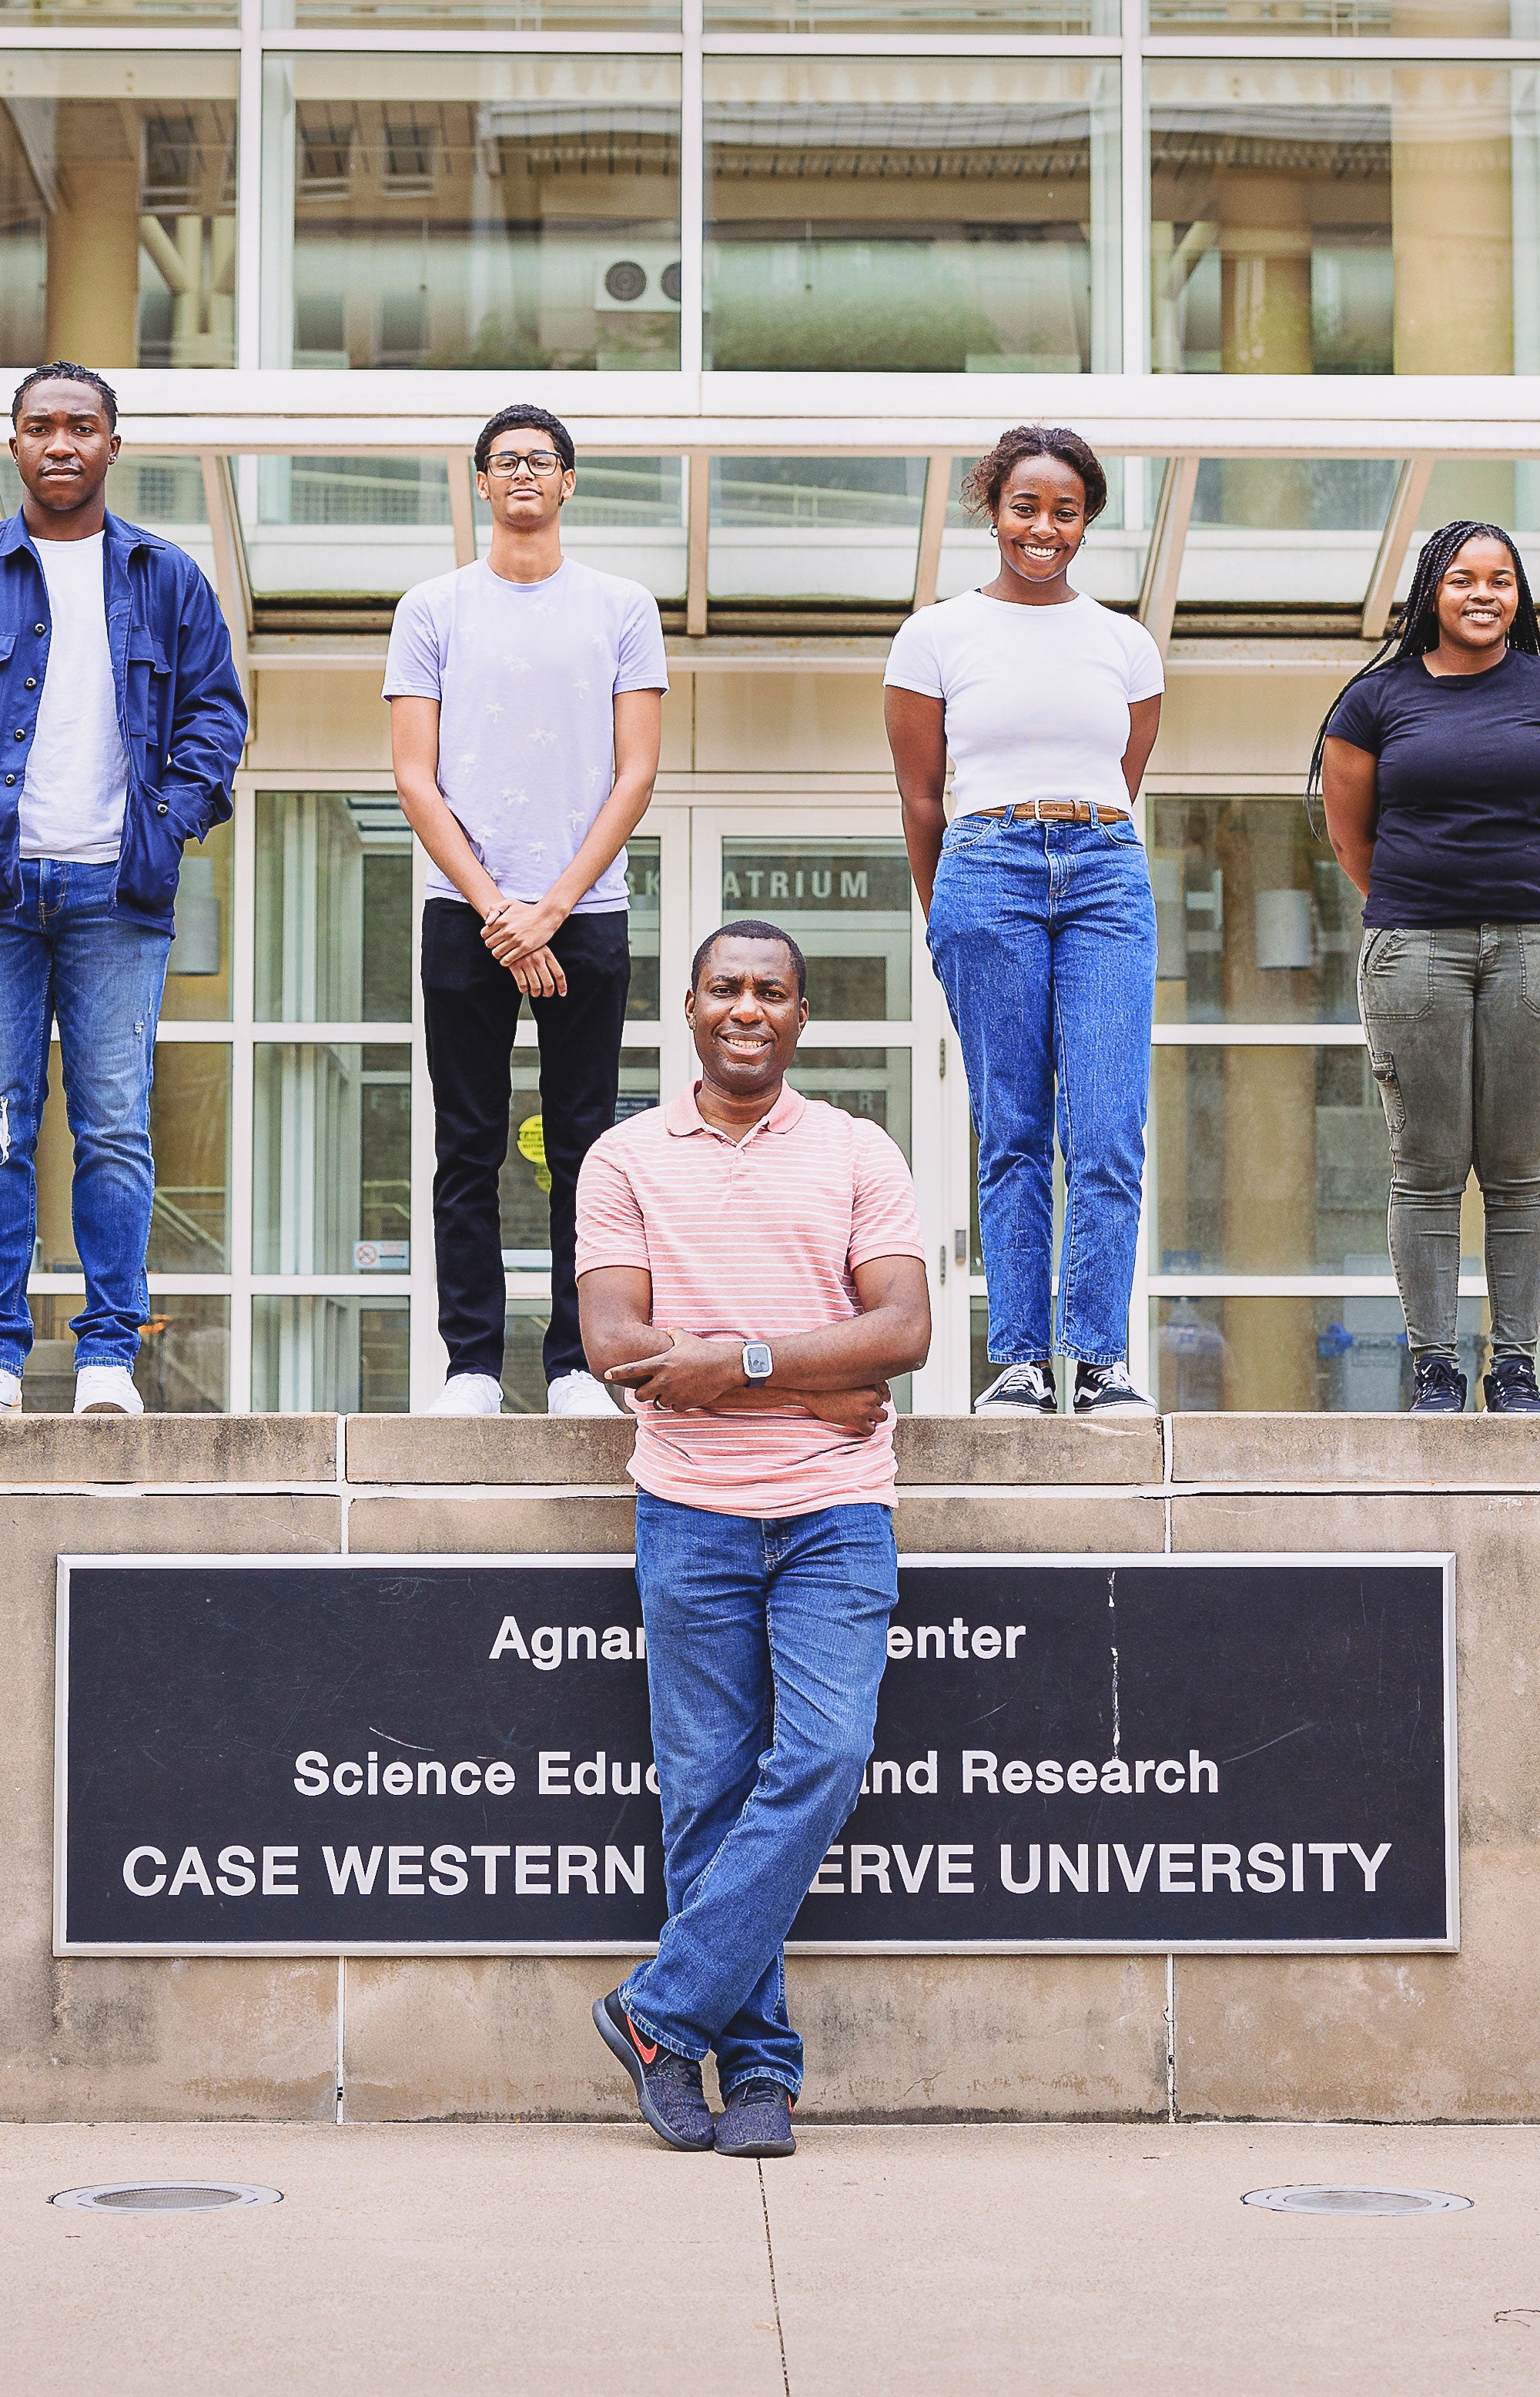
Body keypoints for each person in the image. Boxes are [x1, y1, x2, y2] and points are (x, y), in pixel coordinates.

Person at [574, 920, 931, 2160]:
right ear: (688, 1007)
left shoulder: (856, 1151)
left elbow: (905, 1333)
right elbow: (622, 1350)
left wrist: (741, 1362)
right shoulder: (624, 1159)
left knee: (826, 1756)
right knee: (710, 1792)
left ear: (800, 1015)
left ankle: (657, 2011)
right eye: (726, 987)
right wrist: (810, 1387)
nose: (747, 1008)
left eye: (770, 992)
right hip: (691, 1511)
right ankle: (758, 2076)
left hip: (836, 1512)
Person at [0, 363, 248, 1417]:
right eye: (41, 427)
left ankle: (105, 1359)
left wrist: (168, 827)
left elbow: (217, 721)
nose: (62, 444)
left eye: (83, 426)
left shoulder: (166, 578)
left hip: (116, 896)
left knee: (116, 1127)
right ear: (15, 443)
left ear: (115, 445)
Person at [388, 404, 667, 1418]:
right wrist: (496, 907)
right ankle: (470, 1365)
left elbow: (636, 773)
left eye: (540, 461)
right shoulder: (433, 608)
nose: (523, 474)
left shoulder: (621, 606)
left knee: (585, 1142)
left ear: (568, 483)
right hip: (465, 908)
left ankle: (574, 1365)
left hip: (583, 910)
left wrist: (548, 908)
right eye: (505, 461)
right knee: (466, 1139)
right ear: (479, 482)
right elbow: (415, 779)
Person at [882, 425, 1162, 1418]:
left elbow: (1120, 780)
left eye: (1066, 511)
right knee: (1012, 1126)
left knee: (1111, 1126)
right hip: (986, 865)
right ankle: (1019, 1362)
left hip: (1104, 870)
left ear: (1086, 519)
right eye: (1024, 507)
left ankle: (1099, 1356)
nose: (1043, 528)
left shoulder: (1126, 644)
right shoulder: (936, 634)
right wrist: (942, 911)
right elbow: (922, 799)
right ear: (992, 509)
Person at [1317, 521, 1540, 1417]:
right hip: (1414, 950)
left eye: (1501, 580)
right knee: (1427, 1164)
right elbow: (1349, 834)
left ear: (1519, 596)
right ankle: (1435, 1368)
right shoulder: (1374, 701)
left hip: (1533, 948)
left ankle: (1514, 1369)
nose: (1483, 594)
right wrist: (1418, 905)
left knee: (1521, 1168)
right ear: (1429, 594)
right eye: (1462, 579)